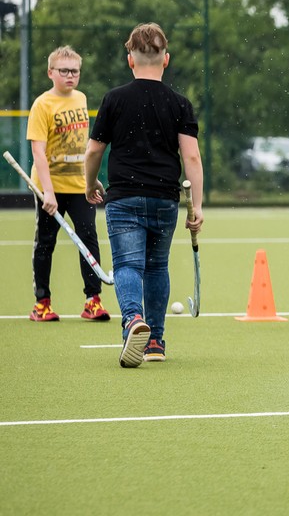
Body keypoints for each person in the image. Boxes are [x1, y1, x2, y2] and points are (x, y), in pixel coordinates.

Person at [84, 23, 204, 368]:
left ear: (129, 60)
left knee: (127, 264)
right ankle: (155, 341)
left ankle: (133, 319)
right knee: (156, 267)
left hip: (124, 198)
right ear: (165, 60)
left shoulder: (114, 99)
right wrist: (197, 205)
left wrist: (90, 183)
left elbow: (94, 152)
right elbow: (191, 157)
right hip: (165, 199)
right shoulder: (180, 104)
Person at [26, 45, 110, 322]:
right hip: (50, 187)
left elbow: (85, 146)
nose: (70, 76)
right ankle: (42, 303)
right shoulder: (42, 105)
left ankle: (92, 301)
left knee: (88, 239)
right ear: (51, 73)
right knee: (46, 243)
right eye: (64, 71)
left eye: (75, 71)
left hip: (78, 186)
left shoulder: (81, 99)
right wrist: (47, 192)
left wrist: (91, 180)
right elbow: (38, 151)